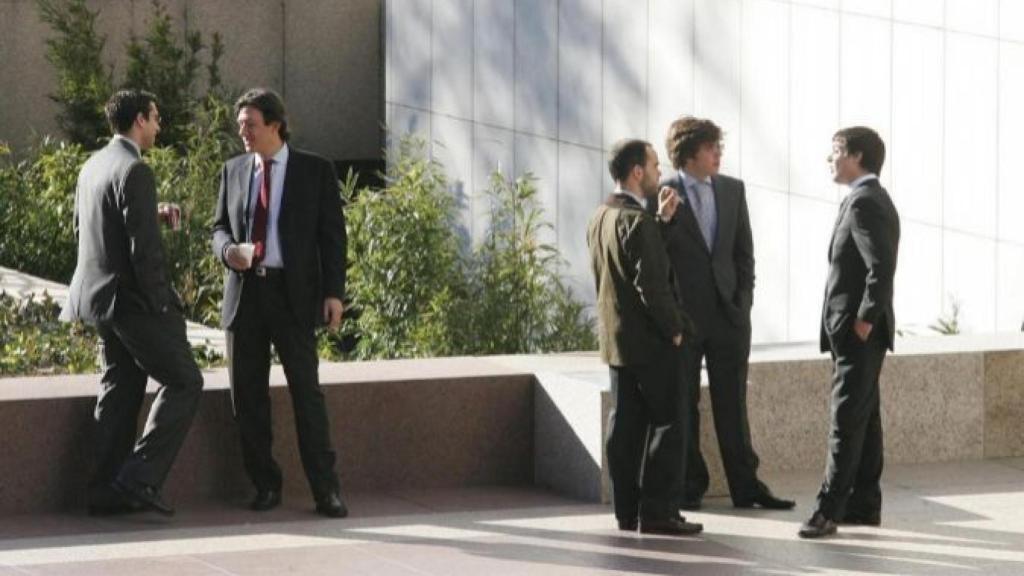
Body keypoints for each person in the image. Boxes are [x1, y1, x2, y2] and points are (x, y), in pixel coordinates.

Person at [61, 89, 203, 517]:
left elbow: (88, 226)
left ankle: (105, 490)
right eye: (156, 118)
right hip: (131, 301)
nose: (159, 126)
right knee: (185, 382)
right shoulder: (136, 170)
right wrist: (163, 302)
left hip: (97, 297)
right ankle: (138, 479)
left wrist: (151, 211)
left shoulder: (94, 164)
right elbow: (146, 253)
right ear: (139, 120)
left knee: (121, 389)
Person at [211, 88, 348, 518]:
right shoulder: (233, 170)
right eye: (239, 125)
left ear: (275, 125)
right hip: (245, 295)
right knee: (247, 398)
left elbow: (333, 237)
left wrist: (334, 294)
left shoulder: (314, 171)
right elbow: (217, 228)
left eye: (250, 124)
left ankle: (326, 490)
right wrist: (227, 250)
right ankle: (265, 485)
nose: (243, 133)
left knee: (307, 394)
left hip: (294, 296)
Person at [658, 116, 794, 511]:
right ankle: (689, 485)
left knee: (733, 404)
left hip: (729, 318)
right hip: (683, 321)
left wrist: (744, 303)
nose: (718, 154)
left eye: (719, 146)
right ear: (688, 153)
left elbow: (743, 254)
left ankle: (746, 487)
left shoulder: (733, 190)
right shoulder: (663, 192)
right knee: (684, 403)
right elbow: (655, 258)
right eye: (710, 147)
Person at [588, 138, 702, 536]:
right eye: (654, 165)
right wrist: (674, 330)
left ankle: (627, 510)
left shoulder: (602, 215)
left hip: (619, 344)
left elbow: (630, 265)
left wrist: (662, 223)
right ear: (637, 171)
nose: (658, 172)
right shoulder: (636, 221)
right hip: (652, 344)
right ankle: (658, 512)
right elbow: (650, 284)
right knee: (670, 422)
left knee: (625, 428)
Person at [799, 127, 900, 538]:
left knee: (845, 421)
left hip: (859, 335)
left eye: (836, 152)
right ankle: (864, 503)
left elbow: (881, 268)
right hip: (858, 335)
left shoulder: (864, 203)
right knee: (865, 420)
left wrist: (862, 321)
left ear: (857, 156)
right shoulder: (864, 198)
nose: (830, 159)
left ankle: (828, 510)